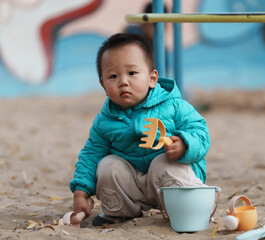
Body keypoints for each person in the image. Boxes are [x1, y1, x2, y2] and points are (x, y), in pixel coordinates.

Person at [69, 33, 210, 226]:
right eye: (113, 76)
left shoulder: (175, 106)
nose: (123, 81)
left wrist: (185, 145)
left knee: (163, 162)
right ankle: (121, 212)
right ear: (103, 85)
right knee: (108, 165)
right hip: (133, 184)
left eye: (132, 73)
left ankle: (189, 209)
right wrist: (80, 192)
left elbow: (201, 132)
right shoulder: (105, 121)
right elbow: (91, 155)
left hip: (169, 180)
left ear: (152, 78)